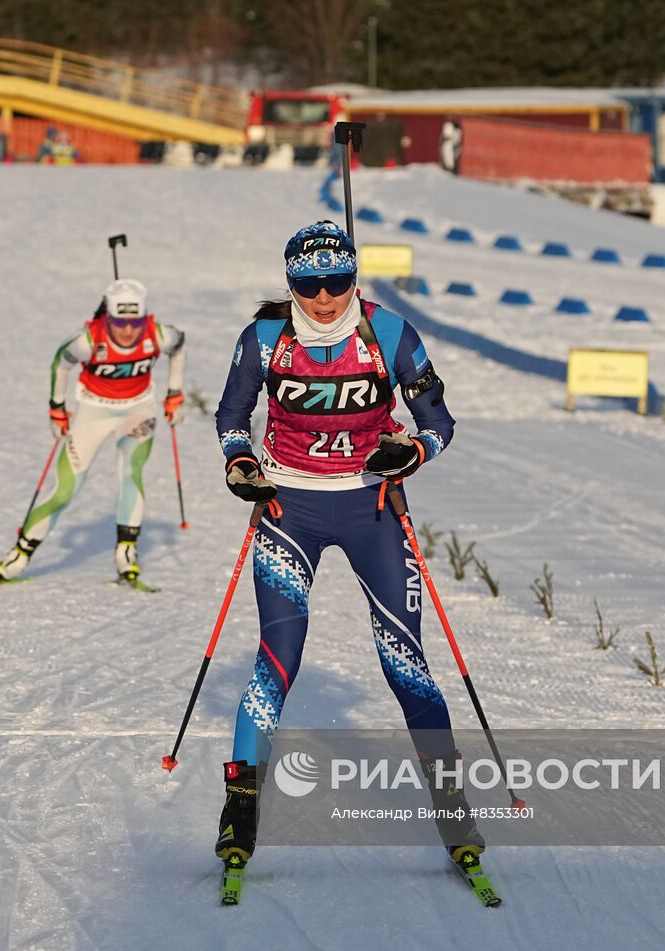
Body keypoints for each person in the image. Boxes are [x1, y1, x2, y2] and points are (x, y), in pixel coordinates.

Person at [211, 220, 484, 869]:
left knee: (405, 661)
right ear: (290, 283)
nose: (324, 296)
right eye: (308, 283)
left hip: (371, 505)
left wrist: (410, 452)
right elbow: (230, 416)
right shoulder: (265, 338)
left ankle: (453, 810)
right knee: (277, 657)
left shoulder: (388, 333)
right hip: (289, 507)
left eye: (336, 281)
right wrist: (241, 463)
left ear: (353, 277)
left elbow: (439, 423)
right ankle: (240, 810)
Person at [0, 278, 185, 585]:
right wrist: (56, 408)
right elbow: (60, 363)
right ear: (108, 315)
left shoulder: (158, 334)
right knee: (66, 489)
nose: (128, 329)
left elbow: (179, 345)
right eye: (120, 320)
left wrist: (174, 393)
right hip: (95, 411)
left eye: (135, 321)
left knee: (131, 473)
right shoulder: (88, 340)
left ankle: (126, 553)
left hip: (138, 410)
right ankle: (20, 554)